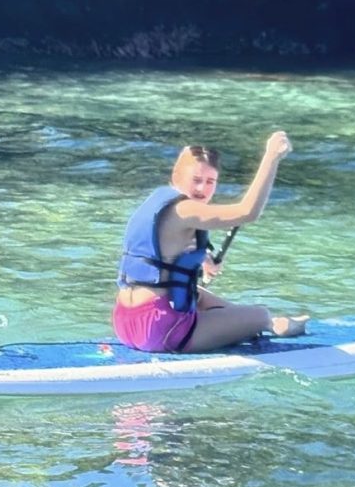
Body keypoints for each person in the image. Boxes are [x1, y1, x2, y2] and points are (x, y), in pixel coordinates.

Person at [113, 131, 309, 353]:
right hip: (160, 329)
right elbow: (248, 212)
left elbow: (164, 257)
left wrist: (204, 259)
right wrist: (271, 157)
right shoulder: (185, 209)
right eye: (196, 180)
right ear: (177, 175)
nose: (202, 189)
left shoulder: (158, 202)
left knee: (199, 295)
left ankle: (244, 323)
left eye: (210, 182)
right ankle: (269, 324)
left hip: (124, 322)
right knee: (261, 314)